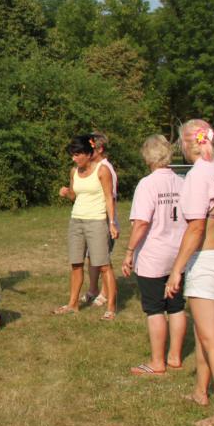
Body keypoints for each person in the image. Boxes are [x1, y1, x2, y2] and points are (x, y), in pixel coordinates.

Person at [166, 119, 214, 426]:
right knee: (203, 331)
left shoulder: (197, 176)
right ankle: (201, 391)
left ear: (188, 144)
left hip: (208, 261)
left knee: (211, 338)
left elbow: (196, 228)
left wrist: (176, 270)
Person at [121, 135, 188, 375]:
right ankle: (175, 356)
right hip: (179, 252)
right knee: (176, 306)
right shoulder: (182, 182)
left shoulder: (147, 184)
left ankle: (157, 362)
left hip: (154, 253)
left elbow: (141, 222)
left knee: (155, 308)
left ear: (147, 157)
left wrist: (129, 252)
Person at [54, 135, 118, 318]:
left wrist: (112, 223)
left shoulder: (102, 170)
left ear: (88, 154)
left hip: (97, 221)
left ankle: (111, 308)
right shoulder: (73, 172)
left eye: (77, 154)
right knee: (76, 264)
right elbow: (75, 196)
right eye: (72, 155)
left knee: (103, 265)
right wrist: (67, 193)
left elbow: (109, 198)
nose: (74, 158)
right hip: (76, 221)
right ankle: (72, 304)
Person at [83, 132, 120, 309]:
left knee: (103, 259)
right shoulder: (93, 168)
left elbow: (109, 198)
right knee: (92, 257)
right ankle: (93, 289)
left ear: (100, 149)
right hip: (92, 221)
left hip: (103, 222)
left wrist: (109, 223)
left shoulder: (106, 169)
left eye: (89, 148)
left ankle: (106, 293)